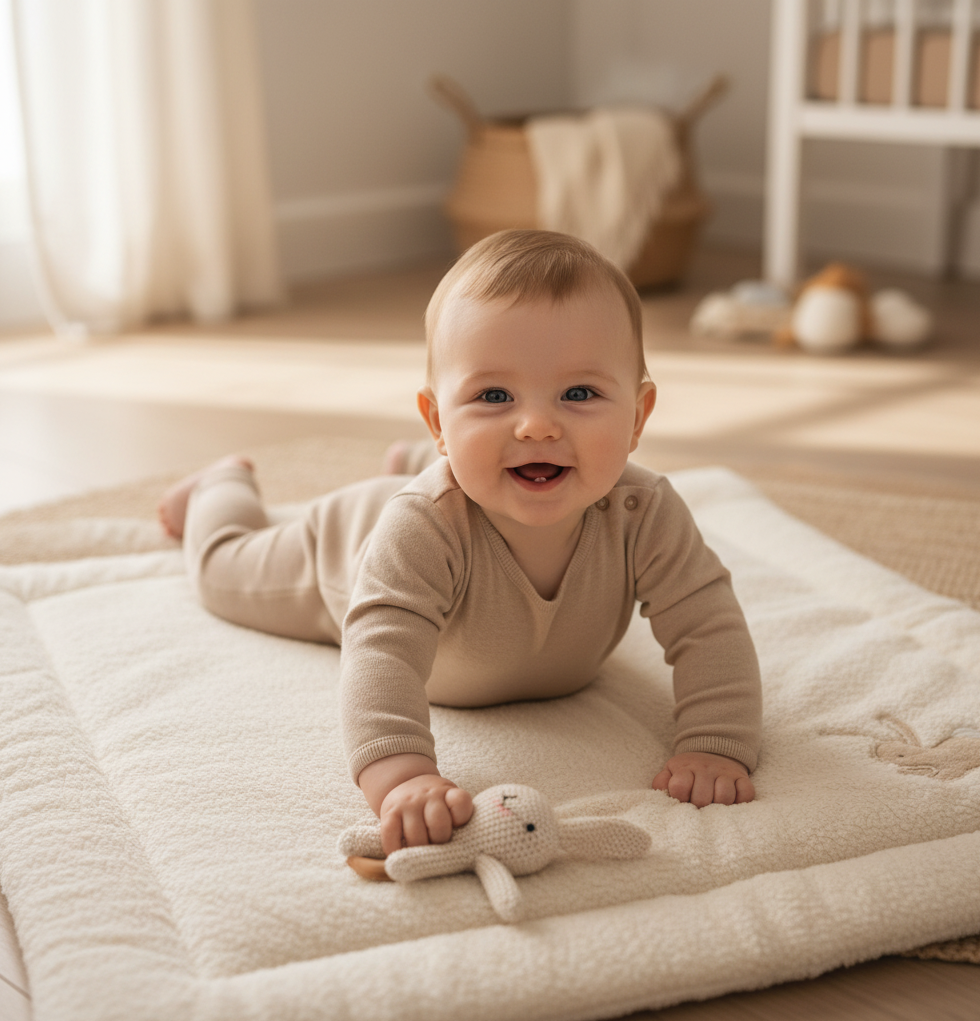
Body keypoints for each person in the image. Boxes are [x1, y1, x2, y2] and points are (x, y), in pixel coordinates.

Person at [159, 230, 762, 856]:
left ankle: (422, 455)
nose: (536, 425)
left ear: (637, 418)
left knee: (488, 462)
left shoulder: (645, 513)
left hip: (455, 482)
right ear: (440, 418)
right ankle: (219, 487)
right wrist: (402, 777)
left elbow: (708, 625)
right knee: (221, 568)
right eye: (493, 396)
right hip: (341, 549)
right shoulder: (421, 529)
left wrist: (715, 742)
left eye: (579, 394)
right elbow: (381, 655)